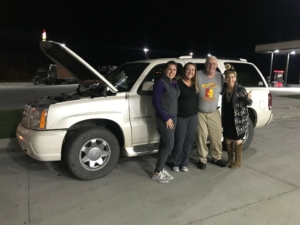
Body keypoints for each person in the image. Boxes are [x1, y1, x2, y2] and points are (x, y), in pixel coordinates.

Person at [152, 61, 180, 183]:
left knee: (164, 144)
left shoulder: (173, 83)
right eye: (170, 69)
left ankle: (161, 168)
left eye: (174, 70)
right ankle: (157, 172)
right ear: (164, 70)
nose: (172, 72)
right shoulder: (160, 83)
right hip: (165, 118)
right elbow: (155, 103)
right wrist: (166, 119)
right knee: (169, 145)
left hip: (173, 117)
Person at [196, 56, 226, 169]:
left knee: (217, 135)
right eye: (209, 63)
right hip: (200, 112)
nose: (211, 66)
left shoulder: (220, 76)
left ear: (217, 66)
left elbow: (226, 91)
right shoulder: (198, 74)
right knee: (201, 135)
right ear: (205, 64)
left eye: (214, 64)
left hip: (214, 111)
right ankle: (202, 159)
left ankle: (217, 157)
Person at [221, 65, 252, 168]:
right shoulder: (224, 88)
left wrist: (248, 98)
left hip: (238, 119)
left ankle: (238, 161)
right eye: (228, 77)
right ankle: (230, 159)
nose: (231, 79)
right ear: (225, 78)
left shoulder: (240, 89)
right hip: (228, 118)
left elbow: (248, 102)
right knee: (228, 139)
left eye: (232, 77)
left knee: (237, 139)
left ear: (235, 78)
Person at [172, 63, 199, 172]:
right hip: (181, 116)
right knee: (179, 141)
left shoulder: (195, 83)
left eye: (193, 70)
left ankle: (184, 163)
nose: (190, 72)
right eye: (188, 69)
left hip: (193, 116)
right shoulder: (177, 83)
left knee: (189, 141)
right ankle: (175, 163)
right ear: (184, 70)